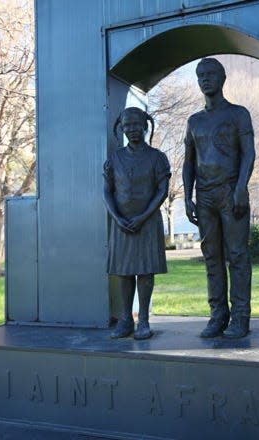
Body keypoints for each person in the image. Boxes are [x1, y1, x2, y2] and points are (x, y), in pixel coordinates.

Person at [183, 58, 256, 339]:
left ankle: (240, 316)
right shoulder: (194, 121)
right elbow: (188, 162)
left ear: (222, 78)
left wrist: (241, 187)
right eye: (200, 75)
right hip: (205, 195)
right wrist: (187, 198)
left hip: (230, 191)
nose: (205, 79)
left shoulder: (239, 114)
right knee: (212, 257)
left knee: (237, 255)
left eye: (211, 74)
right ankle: (218, 315)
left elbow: (248, 152)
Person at [103, 107, 171, 340]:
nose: (132, 129)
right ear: (121, 128)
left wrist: (143, 216)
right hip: (121, 223)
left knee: (144, 271)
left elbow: (162, 189)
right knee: (123, 272)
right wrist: (117, 218)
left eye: (136, 125)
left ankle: (143, 320)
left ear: (145, 126)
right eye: (127, 125)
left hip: (147, 222)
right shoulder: (114, 159)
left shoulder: (157, 158)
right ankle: (125, 320)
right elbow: (107, 192)